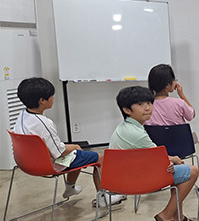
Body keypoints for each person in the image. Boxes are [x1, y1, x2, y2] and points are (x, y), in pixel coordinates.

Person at [13, 78, 124, 207]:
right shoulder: (44, 123)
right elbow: (59, 152)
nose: (53, 98)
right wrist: (76, 147)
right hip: (47, 165)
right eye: (51, 96)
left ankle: (70, 188)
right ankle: (103, 198)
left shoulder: (22, 116)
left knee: (77, 155)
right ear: (42, 101)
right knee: (99, 158)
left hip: (26, 162)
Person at [109, 86, 199, 221]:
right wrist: (174, 160)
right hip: (136, 180)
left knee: (177, 172)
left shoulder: (126, 128)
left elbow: (153, 156)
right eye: (140, 104)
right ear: (127, 110)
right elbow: (160, 159)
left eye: (149, 103)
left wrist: (169, 161)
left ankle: (179, 218)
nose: (147, 108)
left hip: (126, 176)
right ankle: (167, 215)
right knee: (192, 172)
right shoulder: (137, 133)